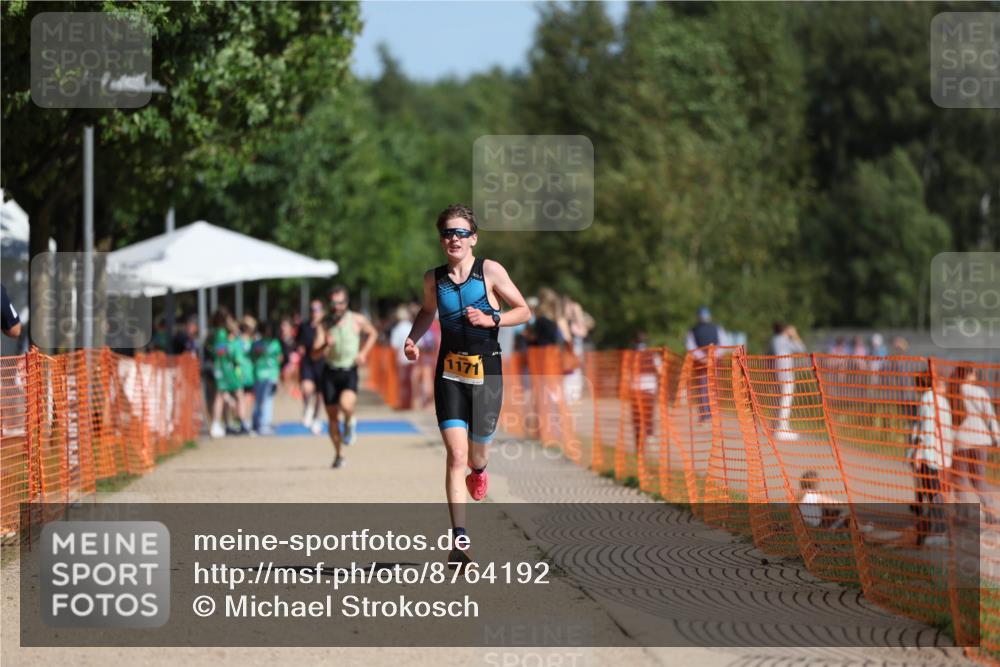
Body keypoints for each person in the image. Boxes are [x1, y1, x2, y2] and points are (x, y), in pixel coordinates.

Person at [402, 203, 530, 568]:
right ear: (441, 239)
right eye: (447, 233)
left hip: (486, 372)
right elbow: (428, 311)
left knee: (476, 456)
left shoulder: (489, 271)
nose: (453, 239)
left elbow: (524, 310)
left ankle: (480, 470)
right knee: (455, 455)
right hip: (449, 372)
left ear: (473, 238)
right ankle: (459, 541)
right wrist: (413, 338)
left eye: (460, 233)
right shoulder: (434, 279)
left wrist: (493, 318)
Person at [314, 285, 377, 468]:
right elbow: (314, 355)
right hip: (330, 372)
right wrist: (325, 345)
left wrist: (363, 353)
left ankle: (350, 422)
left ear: (346, 303)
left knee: (346, 405)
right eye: (334, 303)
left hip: (349, 370)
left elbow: (373, 333)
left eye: (341, 303)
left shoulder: (356, 319)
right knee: (332, 418)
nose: (337, 307)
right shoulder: (324, 323)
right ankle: (339, 454)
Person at [949, 365, 999, 521]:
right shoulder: (980, 392)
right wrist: (997, 437)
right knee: (979, 479)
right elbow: (990, 417)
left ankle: (962, 515)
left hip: (960, 441)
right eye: (974, 372)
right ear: (969, 374)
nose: (976, 374)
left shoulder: (952, 393)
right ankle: (990, 512)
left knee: (959, 479)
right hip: (980, 439)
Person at [909, 368, 952, 547]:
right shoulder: (942, 400)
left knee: (931, 493)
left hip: (929, 455)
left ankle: (938, 531)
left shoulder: (927, 399)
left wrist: (918, 452)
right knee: (933, 493)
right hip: (941, 455)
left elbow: (925, 428)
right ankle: (931, 529)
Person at [768, 321, 807, 440]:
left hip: (776, 373)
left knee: (778, 400)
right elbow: (801, 348)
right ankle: (782, 428)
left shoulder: (773, 340)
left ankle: (775, 427)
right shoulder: (785, 340)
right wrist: (794, 335)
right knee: (785, 400)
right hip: (786, 374)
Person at [685, 306, 723, 423]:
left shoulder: (715, 328)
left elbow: (690, 346)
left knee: (708, 388)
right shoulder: (696, 330)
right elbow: (723, 344)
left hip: (707, 362)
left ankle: (710, 414)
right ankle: (706, 414)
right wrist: (709, 357)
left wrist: (705, 357)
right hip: (707, 363)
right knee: (706, 388)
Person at [208, 308, 241, 438]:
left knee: (222, 395)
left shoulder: (217, 333)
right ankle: (216, 423)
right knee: (220, 396)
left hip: (221, 367)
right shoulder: (221, 333)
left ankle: (226, 422)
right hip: (222, 368)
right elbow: (221, 352)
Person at [297, 300, 327, 434]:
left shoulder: (326, 326)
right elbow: (299, 343)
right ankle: (307, 409)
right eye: (312, 309)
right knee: (307, 388)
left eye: (317, 309)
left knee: (320, 394)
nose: (315, 312)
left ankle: (316, 417)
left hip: (322, 362)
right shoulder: (304, 326)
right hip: (308, 361)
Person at [251, 321, 284, 436]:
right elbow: (280, 358)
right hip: (268, 375)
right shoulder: (274, 343)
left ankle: (256, 423)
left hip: (262, 374)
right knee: (267, 400)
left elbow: (252, 357)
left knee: (259, 400)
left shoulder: (256, 343)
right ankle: (264, 424)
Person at [389, 304, 415, 409]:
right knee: (411, 383)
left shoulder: (397, 329)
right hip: (413, 359)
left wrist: (395, 359)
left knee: (402, 382)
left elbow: (394, 346)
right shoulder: (412, 326)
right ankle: (410, 403)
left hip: (402, 359)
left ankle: (403, 402)